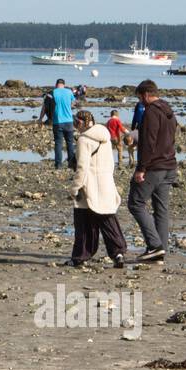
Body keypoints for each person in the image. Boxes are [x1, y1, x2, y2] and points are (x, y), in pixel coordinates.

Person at [127, 79, 178, 263]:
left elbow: (149, 142)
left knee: (135, 203)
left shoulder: (151, 112)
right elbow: (170, 138)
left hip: (154, 167)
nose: (140, 102)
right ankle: (160, 251)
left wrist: (141, 168)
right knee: (161, 210)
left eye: (140, 98)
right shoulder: (169, 111)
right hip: (169, 165)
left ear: (146, 94)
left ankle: (155, 245)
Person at [67, 111, 127, 267]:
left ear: (80, 123)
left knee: (84, 223)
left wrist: (74, 188)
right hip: (106, 183)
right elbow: (110, 163)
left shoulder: (83, 140)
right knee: (108, 220)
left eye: (76, 123)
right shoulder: (105, 136)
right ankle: (118, 254)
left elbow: (82, 168)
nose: (76, 126)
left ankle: (80, 257)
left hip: (90, 186)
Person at [49, 78, 77, 170]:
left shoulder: (53, 92)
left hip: (57, 121)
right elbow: (74, 103)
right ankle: (71, 163)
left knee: (58, 144)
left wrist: (41, 118)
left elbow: (46, 106)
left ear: (56, 84)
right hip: (69, 121)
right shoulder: (69, 92)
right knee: (70, 143)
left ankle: (58, 165)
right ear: (64, 84)